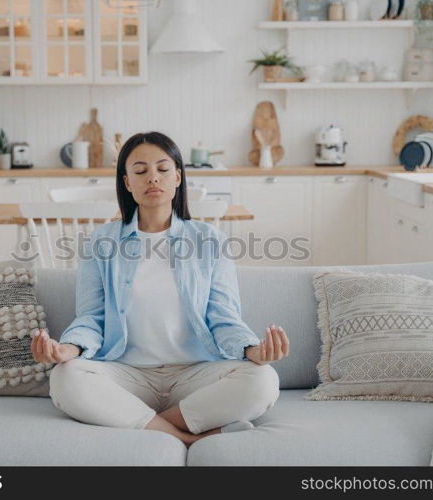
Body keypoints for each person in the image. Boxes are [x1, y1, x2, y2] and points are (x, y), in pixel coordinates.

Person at [30, 131, 290, 447]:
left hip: (194, 376)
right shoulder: (101, 243)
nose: (152, 178)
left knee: (263, 380)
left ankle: (141, 421)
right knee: (65, 377)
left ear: (178, 177)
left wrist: (253, 350)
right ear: (127, 182)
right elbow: (92, 319)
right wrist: (67, 349)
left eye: (163, 169)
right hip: (126, 375)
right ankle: (188, 437)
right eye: (140, 171)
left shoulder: (210, 241)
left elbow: (224, 319)